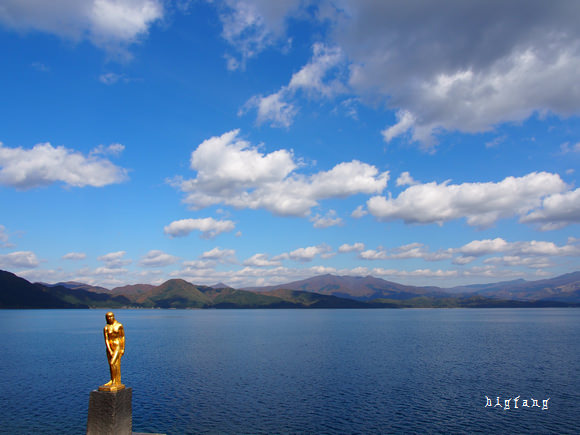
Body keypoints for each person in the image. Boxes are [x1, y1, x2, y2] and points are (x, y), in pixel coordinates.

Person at [99, 312, 125, 391]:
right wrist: (109, 349)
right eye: (108, 317)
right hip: (110, 347)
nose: (109, 318)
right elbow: (106, 339)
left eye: (111, 317)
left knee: (113, 362)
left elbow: (122, 337)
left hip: (117, 346)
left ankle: (115, 381)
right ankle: (113, 380)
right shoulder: (106, 328)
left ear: (113, 317)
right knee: (111, 364)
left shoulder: (119, 325)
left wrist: (122, 348)